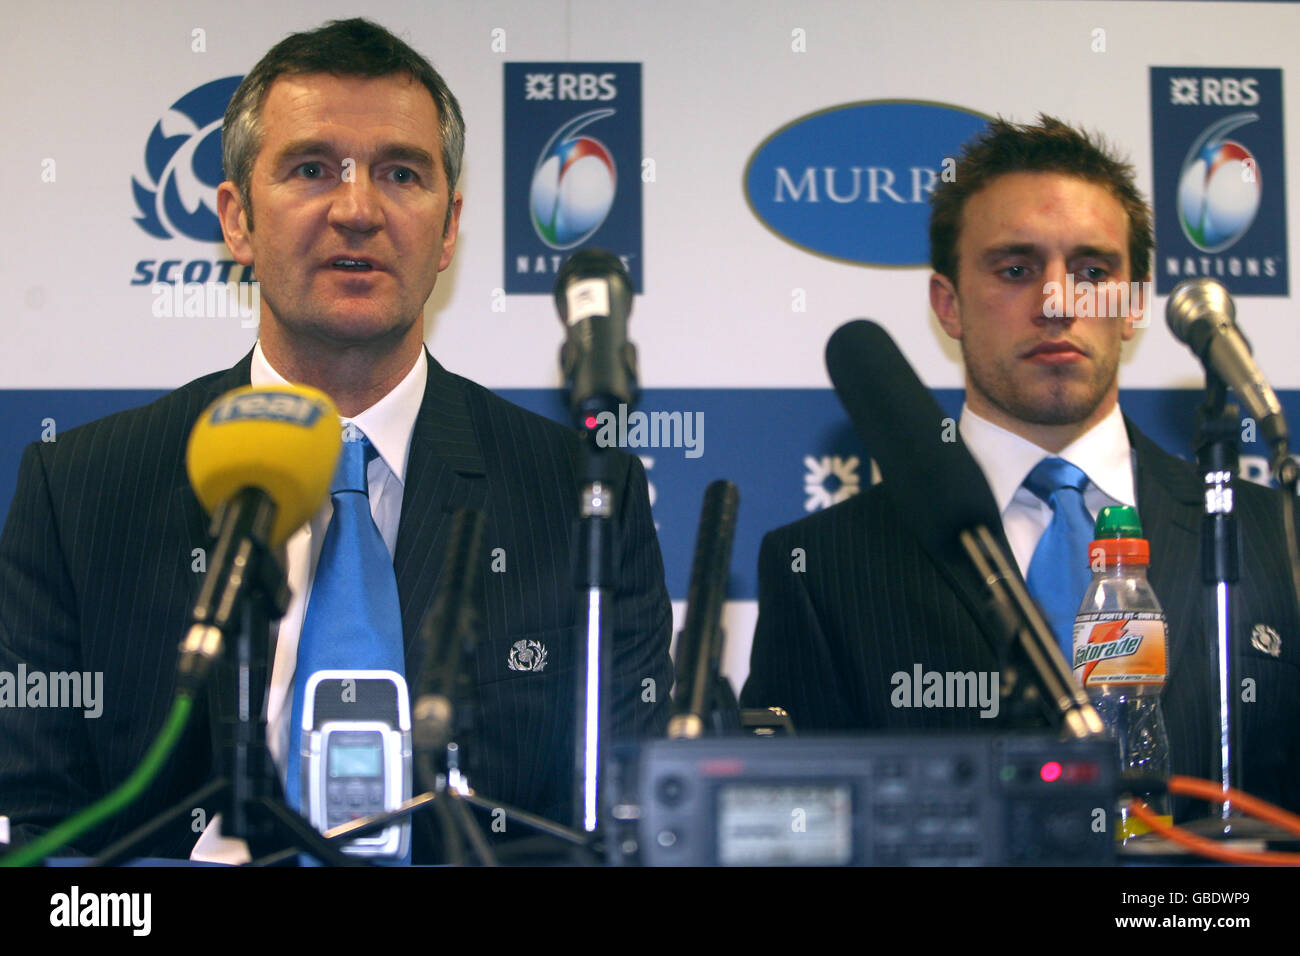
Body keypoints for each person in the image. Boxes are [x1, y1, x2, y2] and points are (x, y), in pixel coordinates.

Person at [0, 18, 673, 861]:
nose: (357, 210)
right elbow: (34, 829)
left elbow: (629, 824)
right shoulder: (83, 492)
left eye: (401, 173)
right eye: (313, 169)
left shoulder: (582, 496)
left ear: (450, 228)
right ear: (237, 220)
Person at [741, 116, 1300, 818]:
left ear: (1131, 306)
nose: (1059, 302)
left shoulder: (1274, 536)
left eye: (1093, 272)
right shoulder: (820, 568)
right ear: (948, 305)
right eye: (1016, 269)